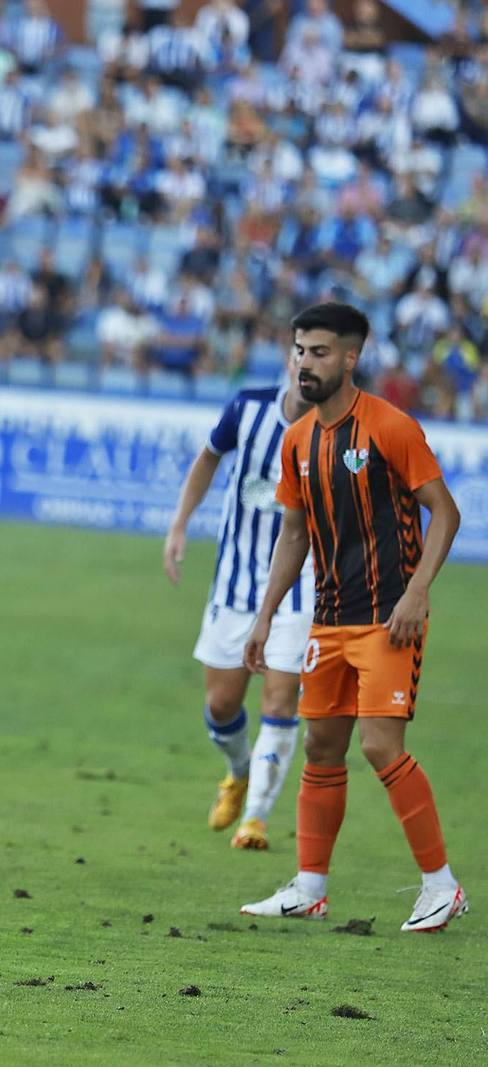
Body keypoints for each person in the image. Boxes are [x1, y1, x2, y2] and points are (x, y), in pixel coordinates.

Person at [240, 302, 467, 932]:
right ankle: (311, 887)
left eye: (318, 352)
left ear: (350, 358)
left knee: (377, 744)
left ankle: (441, 886)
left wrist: (418, 593)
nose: (304, 363)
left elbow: (444, 513)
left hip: (389, 619)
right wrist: (264, 616)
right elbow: (294, 532)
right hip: (329, 619)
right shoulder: (298, 440)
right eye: (299, 351)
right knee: (321, 745)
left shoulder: (391, 428)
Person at [164, 344, 315, 850]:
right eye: (300, 356)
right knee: (222, 704)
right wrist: (180, 524)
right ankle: (239, 772)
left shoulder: (334, 432)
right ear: (289, 363)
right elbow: (207, 459)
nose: (306, 367)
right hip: (234, 583)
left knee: (280, 699)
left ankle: (256, 818)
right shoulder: (246, 408)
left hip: (298, 588)